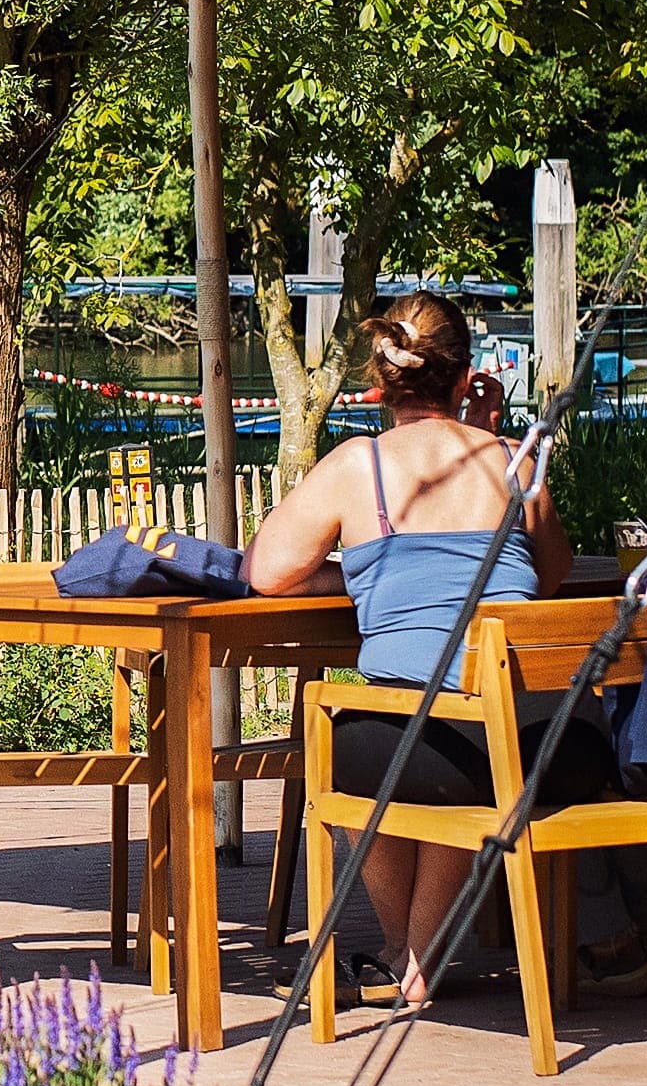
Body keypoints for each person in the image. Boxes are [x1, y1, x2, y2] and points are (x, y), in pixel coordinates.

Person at [243, 292, 593, 1013]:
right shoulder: (510, 459)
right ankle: (411, 960)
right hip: (552, 738)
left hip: (441, 743)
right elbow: (550, 570)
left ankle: (408, 952)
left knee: (360, 747)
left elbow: (267, 573)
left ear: (380, 378)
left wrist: (364, 568)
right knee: (459, 737)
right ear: (466, 378)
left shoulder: (358, 466)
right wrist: (488, 432)